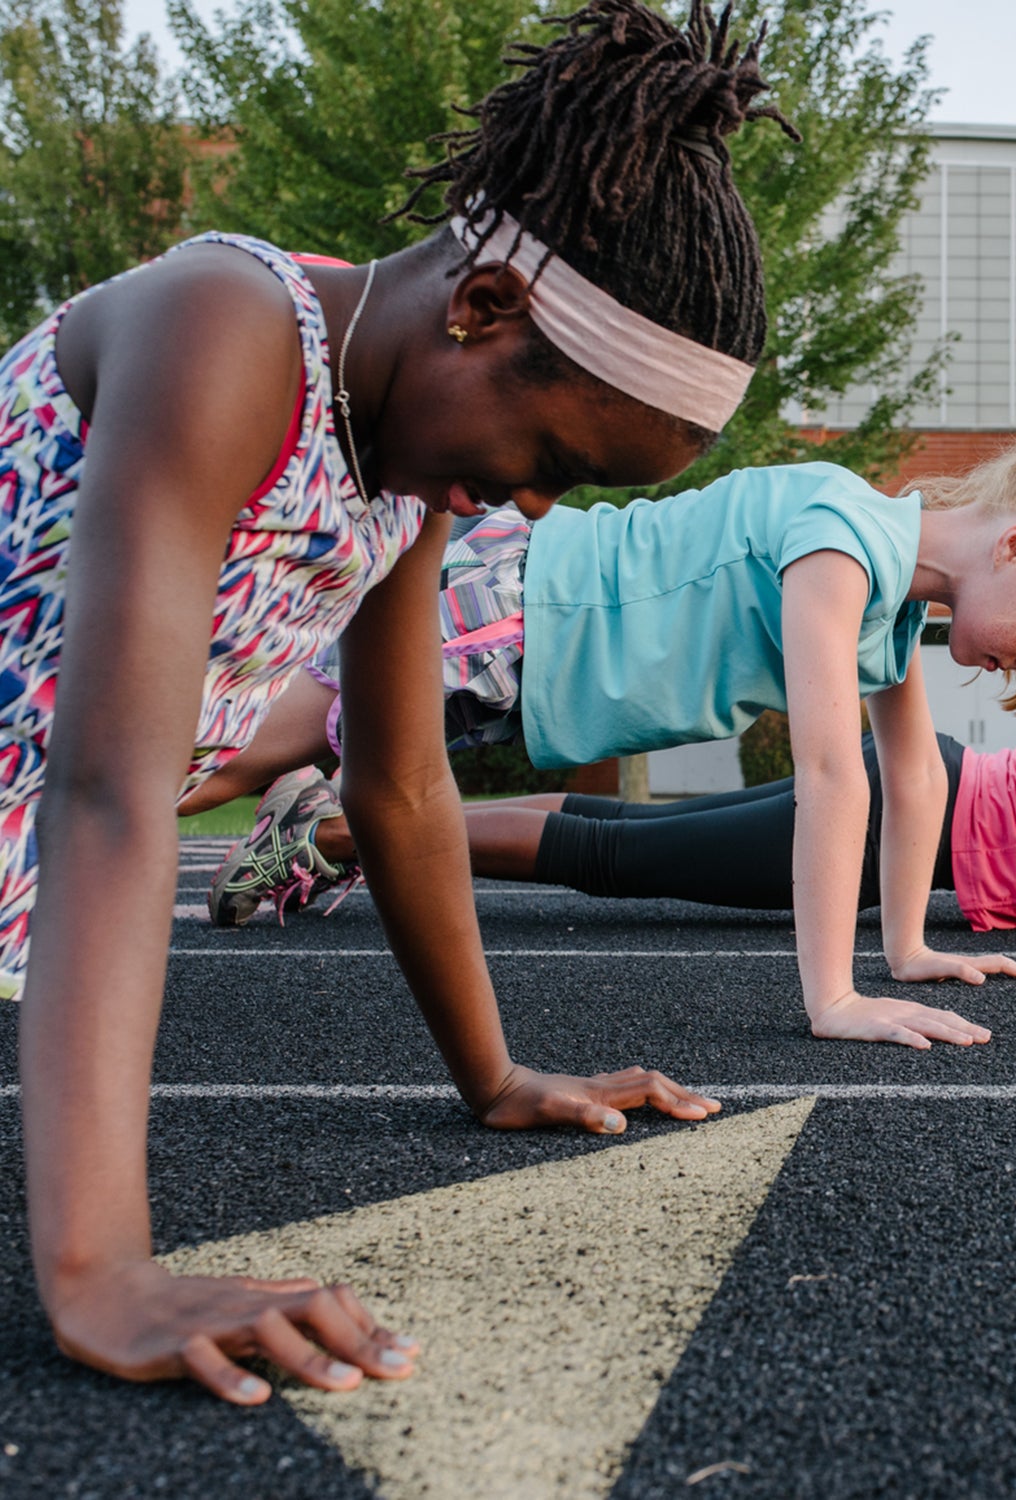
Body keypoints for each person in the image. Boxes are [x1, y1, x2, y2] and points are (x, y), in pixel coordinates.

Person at [5, 0, 795, 1404]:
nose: (536, 506)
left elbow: (405, 782)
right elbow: (109, 791)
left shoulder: (400, 464)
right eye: (548, 454)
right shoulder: (226, 328)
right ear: (483, 310)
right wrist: (98, 1265)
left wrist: (493, 1075)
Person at [192, 432, 1016, 1046]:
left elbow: (913, 778)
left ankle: (256, 822)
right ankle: (63, 835)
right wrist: (834, 998)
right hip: (516, 605)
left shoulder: (897, 609)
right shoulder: (845, 542)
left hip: (524, 650)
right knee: (229, 752)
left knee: (293, 749)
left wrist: (906, 950)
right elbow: (835, 776)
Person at [355, 675, 1016, 947]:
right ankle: (334, 833)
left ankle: (344, 825)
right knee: (617, 857)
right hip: (917, 814)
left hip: (920, 810)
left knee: (627, 840)